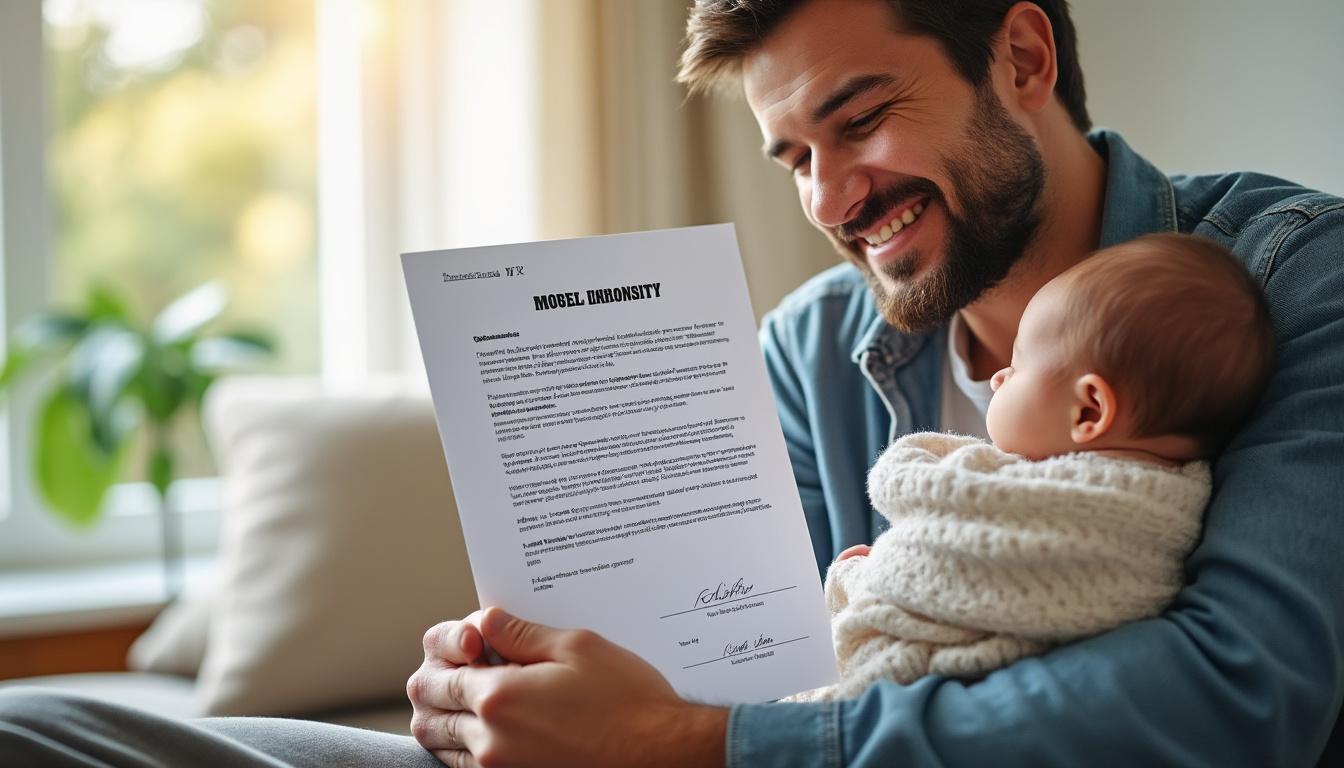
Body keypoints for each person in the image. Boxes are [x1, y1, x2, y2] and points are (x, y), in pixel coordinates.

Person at [1, 0, 1341, 765]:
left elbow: (1242, 696)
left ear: (1024, 60)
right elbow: (740, 666)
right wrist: (506, 688)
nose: (832, 198)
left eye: (862, 118)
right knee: (50, 729)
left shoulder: (1287, 279)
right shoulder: (816, 345)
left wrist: (697, 745)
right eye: (792, 157)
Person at [793, 233, 1272, 702]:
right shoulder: (1181, 500)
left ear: (1087, 412)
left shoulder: (1054, 509)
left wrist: (860, 576)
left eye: (1018, 365)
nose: (999, 376)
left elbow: (931, 563)